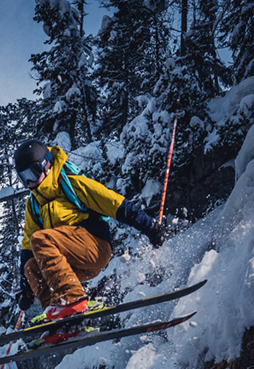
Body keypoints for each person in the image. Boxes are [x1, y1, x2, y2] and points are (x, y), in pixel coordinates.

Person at [13, 140, 164, 333]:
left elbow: (113, 203)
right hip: (72, 264)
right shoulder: (33, 205)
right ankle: (62, 322)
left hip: (95, 246)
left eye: (31, 174)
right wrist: (25, 289)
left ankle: (72, 301)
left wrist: (150, 227)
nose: (29, 182)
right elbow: (27, 249)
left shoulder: (71, 183)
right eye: (23, 178)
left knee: (42, 239)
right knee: (31, 267)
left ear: (45, 165)